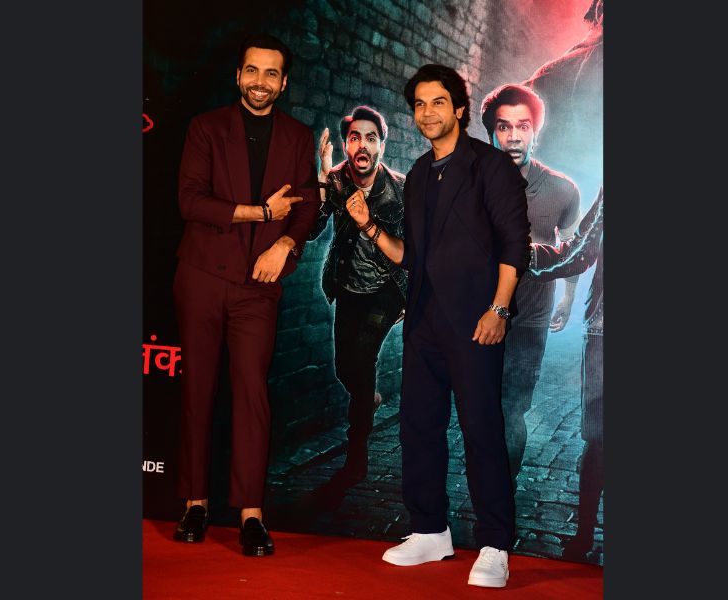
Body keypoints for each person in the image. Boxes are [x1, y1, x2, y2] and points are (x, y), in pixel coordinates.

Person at [345, 64, 530, 589]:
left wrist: (499, 310)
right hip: (424, 320)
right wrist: (368, 226)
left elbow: (515, 245)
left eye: (438, 102)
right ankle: (430, 530)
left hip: (476, 321)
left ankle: (495, 543)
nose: (427, 113)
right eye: (420, 104)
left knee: (481, 430)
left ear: (460, 109)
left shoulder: (491, 167)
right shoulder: (421, 174)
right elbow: (412, 256)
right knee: (418, 427)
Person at [172, 33, 320, 556]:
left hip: (258, 285)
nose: (260, 82)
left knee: (252, 393)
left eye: (271, 73)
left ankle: (251, 514)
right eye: (252, 71)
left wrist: (285, 244)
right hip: (202, 277)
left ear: (283, 82)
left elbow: (307, 204)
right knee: (198, 389)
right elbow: (191, 201)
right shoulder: (206, 127)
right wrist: (260, 213)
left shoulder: (298, 136)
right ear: (238, 75)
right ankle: (194, 503)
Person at [480, 83, 581, 490]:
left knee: (513, 406)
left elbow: (572, 251)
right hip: (480, 316)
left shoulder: (562, 189)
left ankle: (501, 487)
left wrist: (568, 297)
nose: (514, 136)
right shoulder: (470, 184)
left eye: (523, 126)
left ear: (535, 132)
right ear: (492, 133)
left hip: (530, 320)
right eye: (504, 127)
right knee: (482, 406)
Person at [309, 106, 407, 484]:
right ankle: (369, 401)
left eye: (370, 138)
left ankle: (356, 454)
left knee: (363, 362)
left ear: (382, 145)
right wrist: (322, 178)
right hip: (348, 286)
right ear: (347, 145)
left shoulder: (401, 190)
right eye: (354, 138)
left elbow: (414, 251)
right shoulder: (336, 180)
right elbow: (311, 230)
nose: (362, 145)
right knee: (344, 369)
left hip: (386, 291)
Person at [529, 187, 603, 561]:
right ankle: (585, 532)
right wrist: (531, 257)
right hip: (605, 331)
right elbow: (582, 249)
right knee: (599, 437)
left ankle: (585, 534)